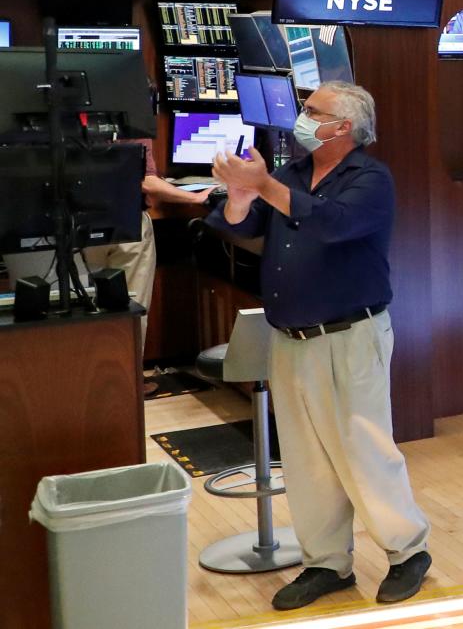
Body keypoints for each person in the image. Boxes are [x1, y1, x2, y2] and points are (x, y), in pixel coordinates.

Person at [206, 81, 431, 610]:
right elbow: (242, 224)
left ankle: (408, 552)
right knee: (306, 461)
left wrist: (264, 185)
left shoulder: (370, 179)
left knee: (364, 450)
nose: (301, 117)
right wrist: (242, 196)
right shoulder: (294, 173)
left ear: (343, 127)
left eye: (313, 111)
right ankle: (327, 562)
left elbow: (331, 224)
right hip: (290, 338)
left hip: (350, 337)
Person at [2, 139, 211, 395]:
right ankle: (125, 383)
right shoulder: (129, 111)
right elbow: (144, 181)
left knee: (66, 311)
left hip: (56, 223)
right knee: (130, 306)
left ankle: (69, 387)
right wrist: (195, 196)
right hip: (125, 221)